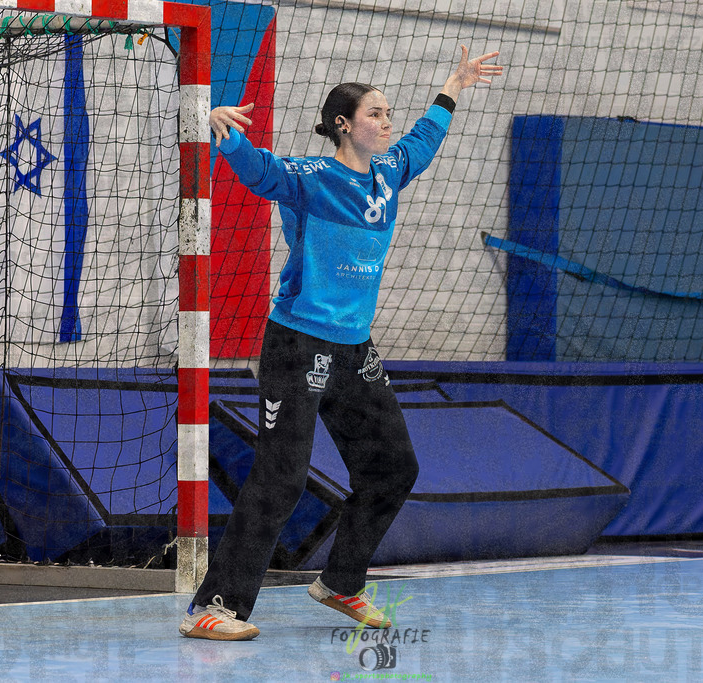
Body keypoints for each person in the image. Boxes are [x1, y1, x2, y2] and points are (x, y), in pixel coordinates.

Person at [179, 45, 502, 641]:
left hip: (354, 349)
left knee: (393, 469)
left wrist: (454, 85)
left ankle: (341, 582)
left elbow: (425, 139)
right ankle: (214, 607)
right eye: (376, 113)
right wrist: (224, 132)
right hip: (298, 344)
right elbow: (261, 172)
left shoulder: (389, 173)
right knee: (281, 477)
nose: (387, 122)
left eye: (388, 113)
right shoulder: (312, 179)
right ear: (344, 125)